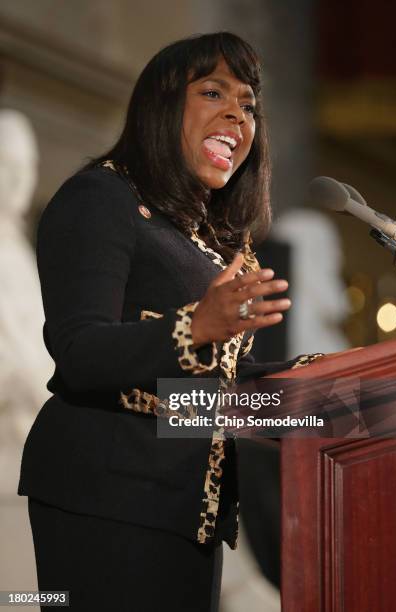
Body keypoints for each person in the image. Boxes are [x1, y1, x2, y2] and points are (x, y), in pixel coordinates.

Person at [17, 32, 320, 612]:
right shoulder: (99, 198)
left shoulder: (206, 240)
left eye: (249, 105)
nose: (238, 113)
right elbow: (79, 353)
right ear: (161, 105)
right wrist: (195, 327)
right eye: (214, 92)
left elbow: (194, 401)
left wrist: (317, 387)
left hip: (187, 510)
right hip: (105, 499)